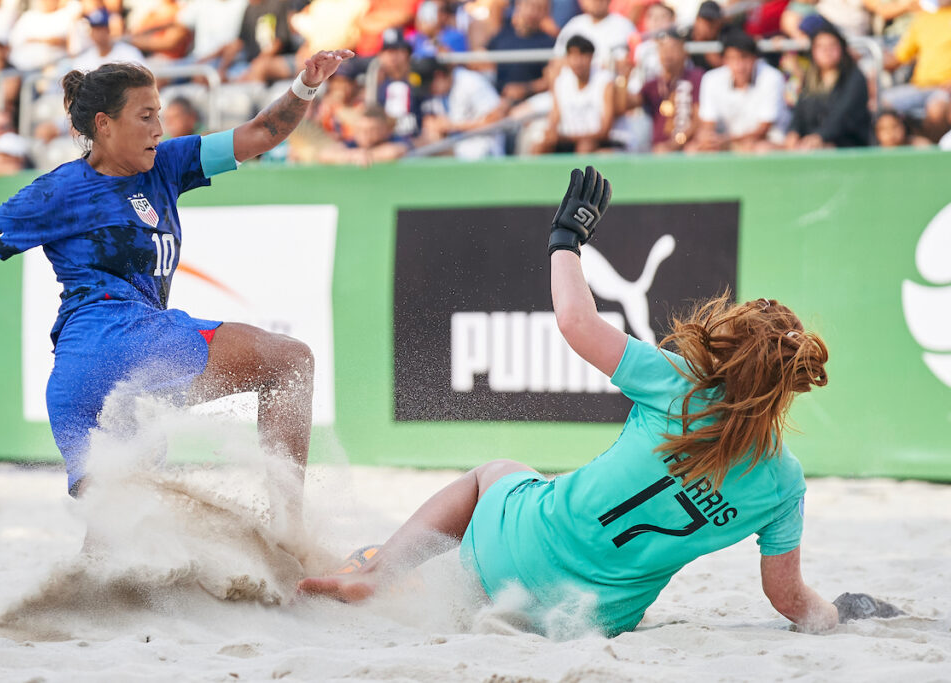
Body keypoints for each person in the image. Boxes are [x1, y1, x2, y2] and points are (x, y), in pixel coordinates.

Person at [299, 166, 903, 636]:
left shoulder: (679, 382)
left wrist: (566, 240)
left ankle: (381, 573)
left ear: (729, 349)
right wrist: (843, 613)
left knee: (498, 474)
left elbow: (574, 321)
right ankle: (400, 576)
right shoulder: (782, 484)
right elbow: (788, 599)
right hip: (586, 620)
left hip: (511, 553)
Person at [0, 52, 354, 500]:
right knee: (290, 362)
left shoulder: (164, 162)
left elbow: (261, 132)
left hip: (79, 383)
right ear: (103, 124)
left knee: (124, 546)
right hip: (118, 336)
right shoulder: (61, 189)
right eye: (145, 116)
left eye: (158, 114)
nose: (158, 128)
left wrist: (306, 85)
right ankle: (289, 533)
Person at [689, 28, 788, 153]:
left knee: (760, 149)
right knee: (693, 150)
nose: (739, 65)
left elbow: (763, 130)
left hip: (765, 142)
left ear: (754, 58)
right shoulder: (711, 79)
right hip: (727, 143)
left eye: (744, 58)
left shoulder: (772, 77)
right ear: (724, 60)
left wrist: (727, 141)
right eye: (733, 58)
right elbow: (708, 124)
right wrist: (708, 139)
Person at [783, 19, 870, 150]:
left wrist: (820, 136)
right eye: (821, 47)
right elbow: (799, 112)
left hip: (846, 143)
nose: (826, 51)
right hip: (810, 140)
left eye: (832, 46)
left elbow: (844, 115)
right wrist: (793, 132)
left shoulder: (854, 77)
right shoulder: (810, 77)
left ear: (841, 48)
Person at [619, 28, 702, 152]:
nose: (667, 53)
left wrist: (675, 143)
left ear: (684, 52)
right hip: (658, 150)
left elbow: (700, 117)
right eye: (663, 48)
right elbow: (625, 105)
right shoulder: (653, 84)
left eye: (673, 48)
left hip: (688, 147)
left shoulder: (696, 77)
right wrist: (623, 78)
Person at [882, 0, 951, 143]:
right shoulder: (923, 18)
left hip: (946, 89)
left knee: (936, 110)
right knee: (882, 103)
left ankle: (933, 153)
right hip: (920, 86)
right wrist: (866, 59)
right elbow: (899, 57)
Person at [537, 34, 615, 153]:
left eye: (583, 55)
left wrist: (567, 137)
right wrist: (551, 132)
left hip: (596, 141)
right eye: (573, 56)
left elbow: (604, 131)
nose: (578, 62)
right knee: (539, 147)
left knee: (585, 146)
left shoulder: (605, 81)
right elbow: (555, 114)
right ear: (567, 58)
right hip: (567, 140)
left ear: (591, 58)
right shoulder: (561, 80)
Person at [418, 58, 506, 160]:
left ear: (439, 76)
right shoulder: (436, 93)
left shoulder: (470, 81)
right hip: (454, 149)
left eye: (430, 87)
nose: (430, 91)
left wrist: (453, 126)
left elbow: (497, 119)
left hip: (483, 149)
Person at [487, 0, 558, 106]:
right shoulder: (503, 34)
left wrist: (524, 89)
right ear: (518, 6)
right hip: (497, 99)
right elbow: (482, 57)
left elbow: (550, 79)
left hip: (531, 103)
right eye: (528, 6)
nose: (532, 12)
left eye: (538, 8)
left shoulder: (549, 43)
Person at [71, 6, 146, 72]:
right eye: (95, 29)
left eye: (102, 29)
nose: (98, 34)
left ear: (109, 30)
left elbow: (143, 79)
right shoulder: (84, 59)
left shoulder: (129, 53)